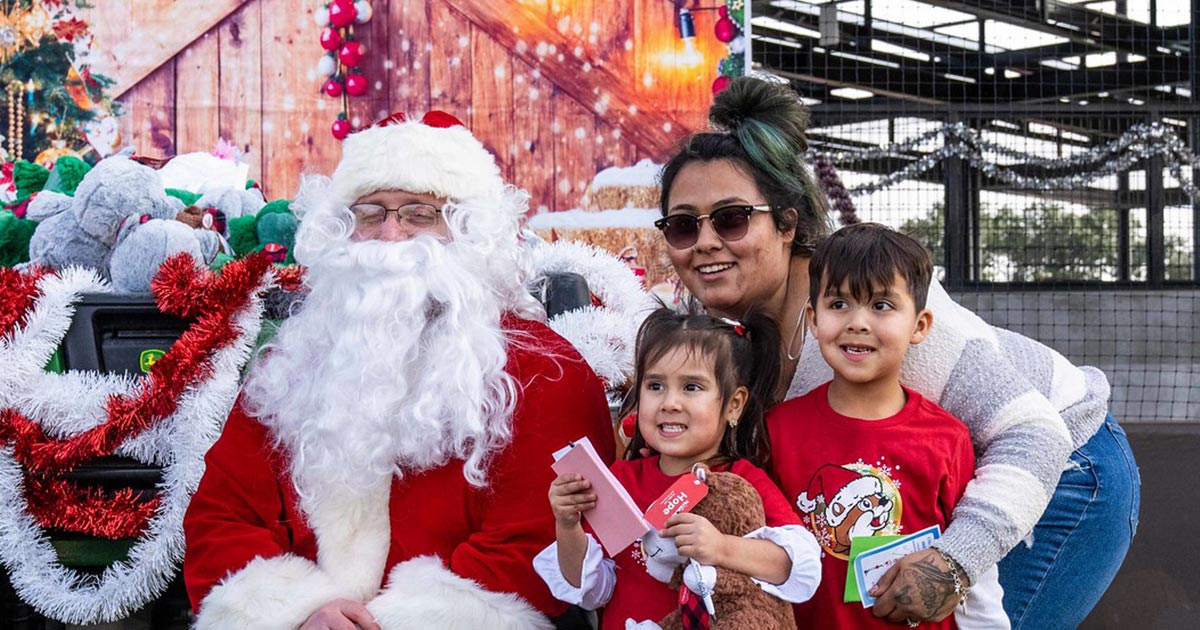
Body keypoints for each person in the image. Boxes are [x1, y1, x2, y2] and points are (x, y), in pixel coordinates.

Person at [656, 76, 1140, 629]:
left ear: (788, 222)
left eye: (731, 218)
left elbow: (1033, 434)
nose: (706, 241)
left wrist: (953, 565)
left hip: (1065, 468)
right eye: (682, 225)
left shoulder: (871, 306)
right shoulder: (720, 332)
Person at [182, 111, 615, 630]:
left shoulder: (545, 372)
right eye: (371, 213)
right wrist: (298, 613)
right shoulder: (292, 367)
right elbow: (221, 518)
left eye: (418, 213)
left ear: (470, 232)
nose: (391, 236)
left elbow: (535, 546)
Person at [767, 222, 1009, 629]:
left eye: (880, 305)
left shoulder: (947, 438)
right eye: (839, 304)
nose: (857, 322)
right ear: (813, 318)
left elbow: (976, 583)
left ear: (919, 326)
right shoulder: (777, 430)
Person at [533, 308, 822, 628]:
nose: (669, 403)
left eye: (691, 387)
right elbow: (591, 589)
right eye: (655, 386)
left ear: (733, 405)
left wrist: (721, 547)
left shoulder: (742, 479)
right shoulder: (620, 479)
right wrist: (568, 524)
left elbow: (794, 564)